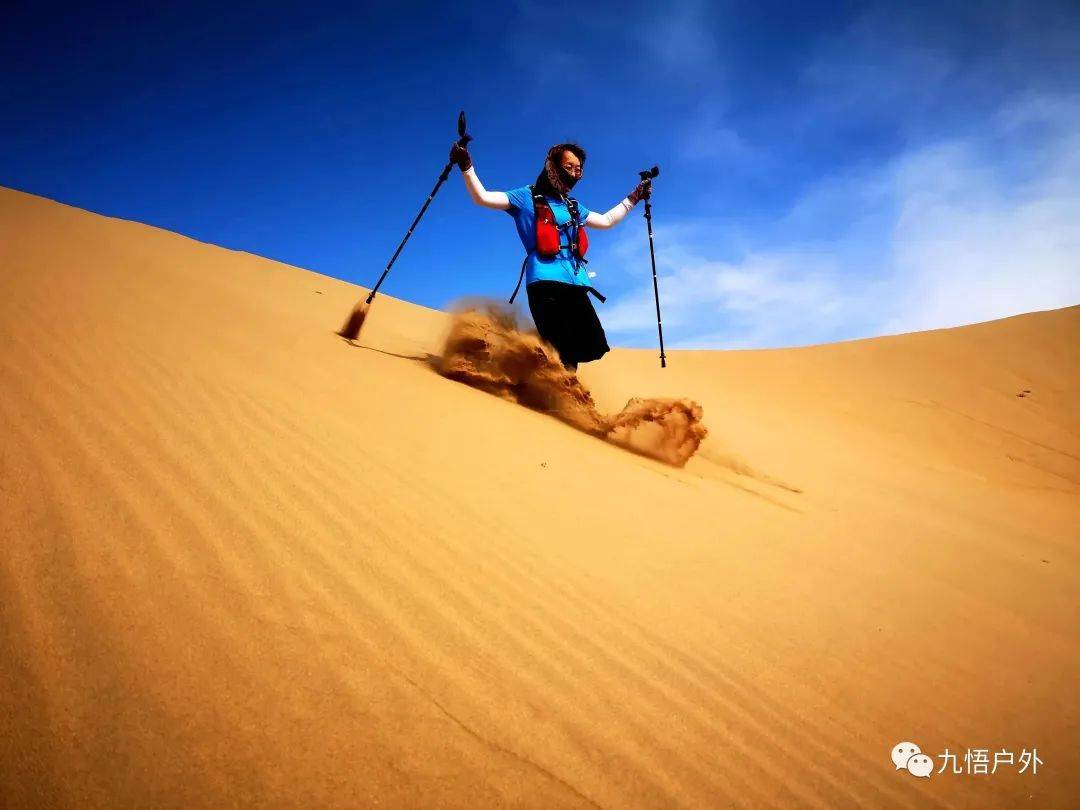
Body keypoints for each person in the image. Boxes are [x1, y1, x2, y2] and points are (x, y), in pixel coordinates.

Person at [449, 140, 650, 372]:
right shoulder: (525, 197)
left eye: (578, 169)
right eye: (569, 167)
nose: (574, 173)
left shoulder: (573, 206)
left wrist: (634, 197)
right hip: (545, 283)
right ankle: (561, 386)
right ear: (552, 166)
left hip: (576, 283)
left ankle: (532, 363)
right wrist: (466, 166)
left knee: (592, 344)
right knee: (561, 344)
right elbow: (482, 197)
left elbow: (606, 221)